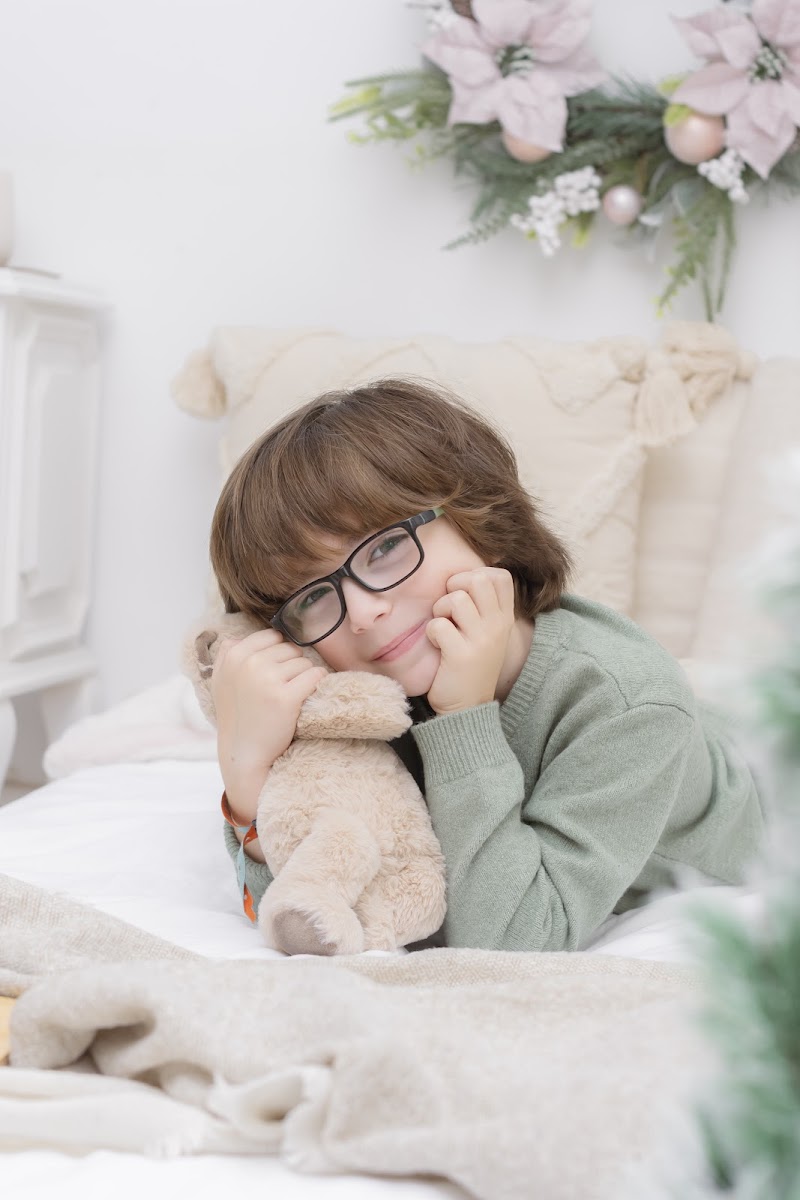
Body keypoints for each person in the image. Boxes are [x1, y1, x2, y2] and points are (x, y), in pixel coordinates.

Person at [207, 377, 763, 952]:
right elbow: (311, 903)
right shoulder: (365, 696)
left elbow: (514, 939)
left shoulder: (628, 705)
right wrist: (247, 779)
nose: (364, 612)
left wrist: (464, 717)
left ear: (484, 520)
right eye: (312, 597)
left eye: (384, 547)